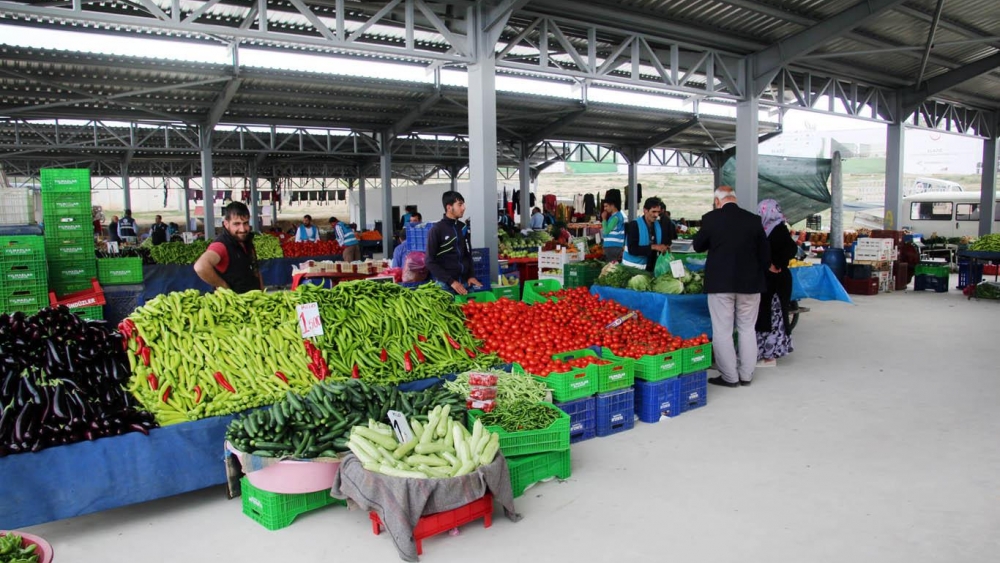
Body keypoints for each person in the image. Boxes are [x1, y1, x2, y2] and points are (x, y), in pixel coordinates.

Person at [692, 186, 770, 388]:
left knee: (723, 331)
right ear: (734, 199)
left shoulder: (711, 219)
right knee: (746, 329)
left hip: (720, 284)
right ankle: (746, 375)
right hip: (751, 284)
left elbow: (698, 245)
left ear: (718, 202)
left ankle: (729, 377)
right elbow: (765, 255)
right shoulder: (753, 220)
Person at [755, 199, 798, 367]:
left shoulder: (779, 229)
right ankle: (764, 353)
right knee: (765, 315)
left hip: (777, 281)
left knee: (773, 316)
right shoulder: (766, 229)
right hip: (768, 279)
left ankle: (771, 355)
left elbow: (791, 249)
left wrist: (776, 264)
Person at [194, 202, 263, 294]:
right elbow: (200, 267)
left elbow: (255, 269)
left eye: (245, 223)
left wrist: (262, 291)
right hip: (233, 305)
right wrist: (223, 286)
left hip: (253, 302)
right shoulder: (221, 245)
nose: (242, 229)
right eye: (236, 224)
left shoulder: (246, 240)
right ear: (226, 224)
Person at [426, 191, 482, 296]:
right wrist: (451, 281)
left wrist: (471, 275)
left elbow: (468, 254)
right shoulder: (437, 230)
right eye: (460, 205)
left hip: (465, 284)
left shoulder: (463, 228)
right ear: (449, 207)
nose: (464, 208)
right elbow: (429, 261)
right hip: (445, 286)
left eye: (463, 204)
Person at [622, 197, 668, 273]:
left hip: (650, 268)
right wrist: (654, 247)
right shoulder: (634, 225)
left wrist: (663, 248)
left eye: (658, 212)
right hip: (632, 269)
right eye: (653, 211)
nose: (656, 215)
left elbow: (658, 245)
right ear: (645, 210)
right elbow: (632, 249)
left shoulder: (658, 225)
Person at [601, 199, 625, 263]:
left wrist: (604, 219)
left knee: (611, 266)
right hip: (613, 246)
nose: (605, 208)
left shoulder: (616, 217)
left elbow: (606, 231)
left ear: (612, 206)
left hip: (613, 246)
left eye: (606, 206)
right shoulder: (615, 216)